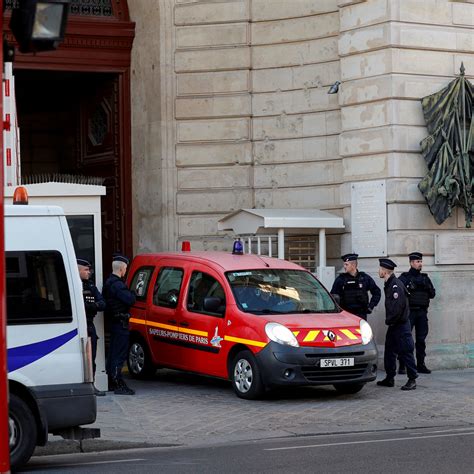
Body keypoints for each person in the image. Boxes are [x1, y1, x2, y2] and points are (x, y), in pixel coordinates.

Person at [377, 258, 418, 391]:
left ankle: (412, 379)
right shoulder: (389, 283)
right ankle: (390, 378)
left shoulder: (395, 285)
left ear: (384, 271)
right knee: (389, 351)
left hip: (400, 324)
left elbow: (398, 307)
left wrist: (391, 320)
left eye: (380, 269)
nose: (379, 271)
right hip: (394, 325)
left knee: (406, 351)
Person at [398, 252, 436, 374]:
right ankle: (403, 365)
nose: (420, 264)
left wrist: (427, 288)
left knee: (421, 340)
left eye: (420, 261)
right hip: (409, 313)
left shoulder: (425, 278)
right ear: (411, 263)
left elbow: (433, 294)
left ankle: (421, 364)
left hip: (422, 313)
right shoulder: (404, 278)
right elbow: (398, 294)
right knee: (405, 339)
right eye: (417, 262)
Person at [104, 254, 136, 395]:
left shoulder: (108, 282)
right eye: (125, 268)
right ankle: (118, 383)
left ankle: (111, 381)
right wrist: (133, 293)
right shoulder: (118, 285)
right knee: (119, 355)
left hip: (114, 322)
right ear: (122, 269)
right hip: (120, 323)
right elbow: (130, 300)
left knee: (112, 354)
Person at [77, 258, 106, 397]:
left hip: (89, 324)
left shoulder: (91, 286)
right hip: (77, 326)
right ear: (78, 270)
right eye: (86, 270)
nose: (89, 272)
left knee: (91, 357)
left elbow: (102, 303)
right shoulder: (73, 285)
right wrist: (91, 306)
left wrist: (90, 306)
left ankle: (91, 385)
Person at [330, 253, 381, 320]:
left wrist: (371, 306)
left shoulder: (364, 278)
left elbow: (377, 292)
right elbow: (333, 296)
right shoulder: (340, 279)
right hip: (346, 316)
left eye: (346, 264)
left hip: (361, 315)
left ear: (353, 265)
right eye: (344, 264)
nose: (344, 267)